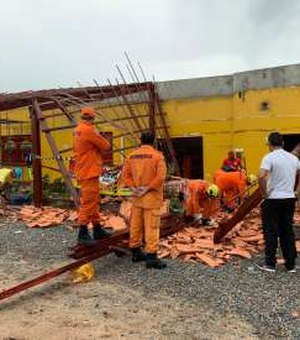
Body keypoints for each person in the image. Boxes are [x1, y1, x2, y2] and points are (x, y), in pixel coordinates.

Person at [122, 131, 167, 269]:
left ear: (140, 140)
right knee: (152, 227)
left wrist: (133, 187)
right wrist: (147, 188)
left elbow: (125, 175)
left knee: (135, 225)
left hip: (137, 198)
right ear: (153, 141)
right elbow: (160, 177)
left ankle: (135, 251)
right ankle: (151, 257)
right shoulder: (157, 156)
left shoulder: (132, 156)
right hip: (151, 198)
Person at [258, 132, 300, 273]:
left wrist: (264, 193)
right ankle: (291, 265)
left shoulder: (269, 158)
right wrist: (297, 191)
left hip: (273, 199)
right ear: (282, 143)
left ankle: (270, 264)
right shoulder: (293, 159)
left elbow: (261, 176)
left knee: (271, 231)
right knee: (287, 230)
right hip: (289, 199)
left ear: (269, 145)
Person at [74, 106, 113, 245]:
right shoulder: (89, 130)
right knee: (89, 202)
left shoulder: (78, 129)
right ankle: (82, 232)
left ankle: (97, 228)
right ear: (93, 117)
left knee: (94, 200)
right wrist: (98, 133)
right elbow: (106, 145)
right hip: (89, 171)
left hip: (85, 170)